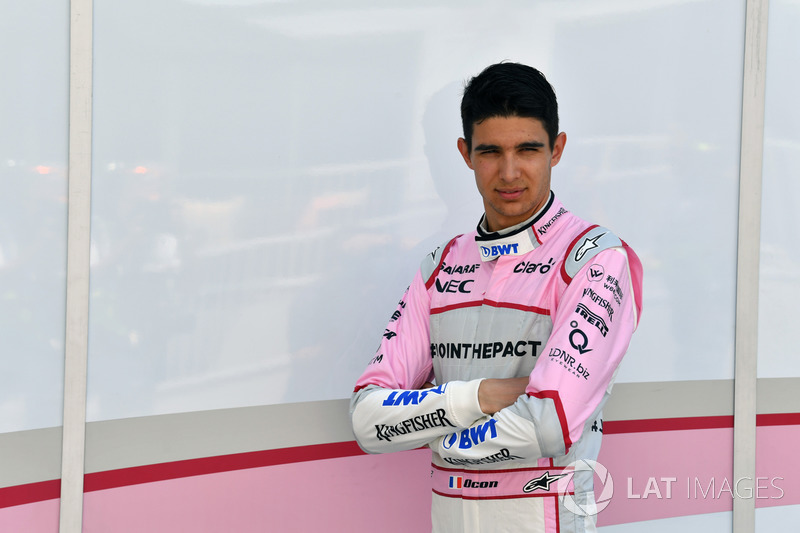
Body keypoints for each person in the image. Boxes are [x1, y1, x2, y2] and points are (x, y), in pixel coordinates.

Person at [350, 62, 643, 533]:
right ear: (466, 154)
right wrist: (485, 394)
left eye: (528, 149)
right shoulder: (440, 265)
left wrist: (435, 435)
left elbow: (548, 425)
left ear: (557, 149)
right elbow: (367, 420)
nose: (509, 173)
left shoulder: (595, 259)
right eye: (490, 152)